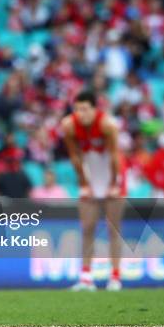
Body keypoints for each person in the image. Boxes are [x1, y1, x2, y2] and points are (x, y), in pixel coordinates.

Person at [62, 92, 126, 292]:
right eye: (78, 109)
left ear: (94, 109)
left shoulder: (108, 125)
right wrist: (84, 183)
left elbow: (115, 156)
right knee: (87, 227)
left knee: (113, 229)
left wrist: (113, 184)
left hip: (111, 174)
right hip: (91, 175)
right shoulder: (69, 126)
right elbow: (74, 157)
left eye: (85, 109)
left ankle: (115, 277)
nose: (81, 114)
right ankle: (86, 277)